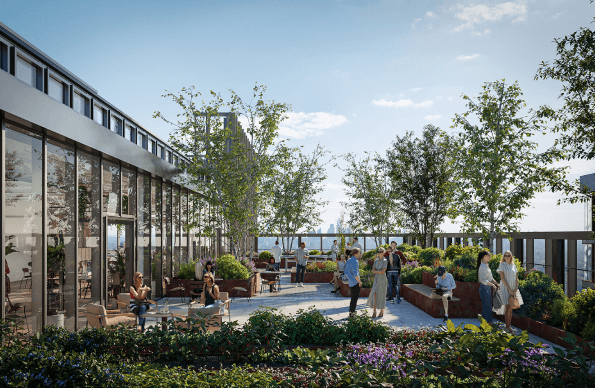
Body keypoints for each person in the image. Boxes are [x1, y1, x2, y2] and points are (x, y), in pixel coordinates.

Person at [496, 250, 520, 333]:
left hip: (513, 289)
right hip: (505, 288)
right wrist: (509, 289)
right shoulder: (502, 265)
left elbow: (516, 278)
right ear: (503, 257)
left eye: (508, 255)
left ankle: (508, 326)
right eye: (505, 255)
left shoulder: (514, 266)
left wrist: (515, 289)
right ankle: (507, 326)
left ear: (511, 256)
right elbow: (502, 278)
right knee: (507, 307)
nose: (506, 256)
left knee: (511, 307)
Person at [477, 250, 499, 324]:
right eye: (489, 255)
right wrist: (492, 285)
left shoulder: (486, 265)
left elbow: (490, 278)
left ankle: (485, 324)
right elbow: (482, 280)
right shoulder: (482, 266)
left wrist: (496, 284)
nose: (490, 257)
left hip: (488, 288)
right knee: (487, 307)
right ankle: (488, 324)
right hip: (484, 288)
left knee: (487, 306)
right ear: (484, 257)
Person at [366, 248, 388, 318]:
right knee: (374, 294)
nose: (379, 253)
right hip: (376, 279)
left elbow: (382, 271)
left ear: (383, 252)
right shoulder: (376, 260)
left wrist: (377, 271)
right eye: (378, 251)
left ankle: (382, 311)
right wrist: (378, 271)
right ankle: (374, 311)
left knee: (382, 294)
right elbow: (372, 270)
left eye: (380, 252)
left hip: (382, 279)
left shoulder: (385, 260)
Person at [345, 247, 363, 317]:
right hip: (355, 282)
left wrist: (350, 279)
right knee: (355, 299)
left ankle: (351, 312)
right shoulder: (355, 261)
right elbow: (356, 274)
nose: (360, 254)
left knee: (352, 298)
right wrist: (359, 282)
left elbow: (346, 272)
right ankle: (352, 314)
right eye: (359, 252)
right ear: (357, 253)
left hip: (350, 282)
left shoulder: (348, 260)